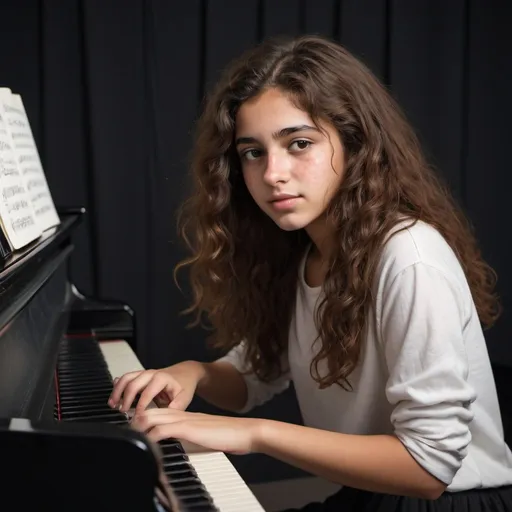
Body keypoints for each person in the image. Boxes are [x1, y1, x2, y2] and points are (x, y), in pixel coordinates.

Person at [108, 34, 512, 510]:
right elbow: (253, 379)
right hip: (375, 496)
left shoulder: (409, 258)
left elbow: (429, 468)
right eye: (252, 152)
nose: (272, 173)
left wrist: (254, 435)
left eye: (298, 143)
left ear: (356, 143)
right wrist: (193, 372)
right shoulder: (307, 253)